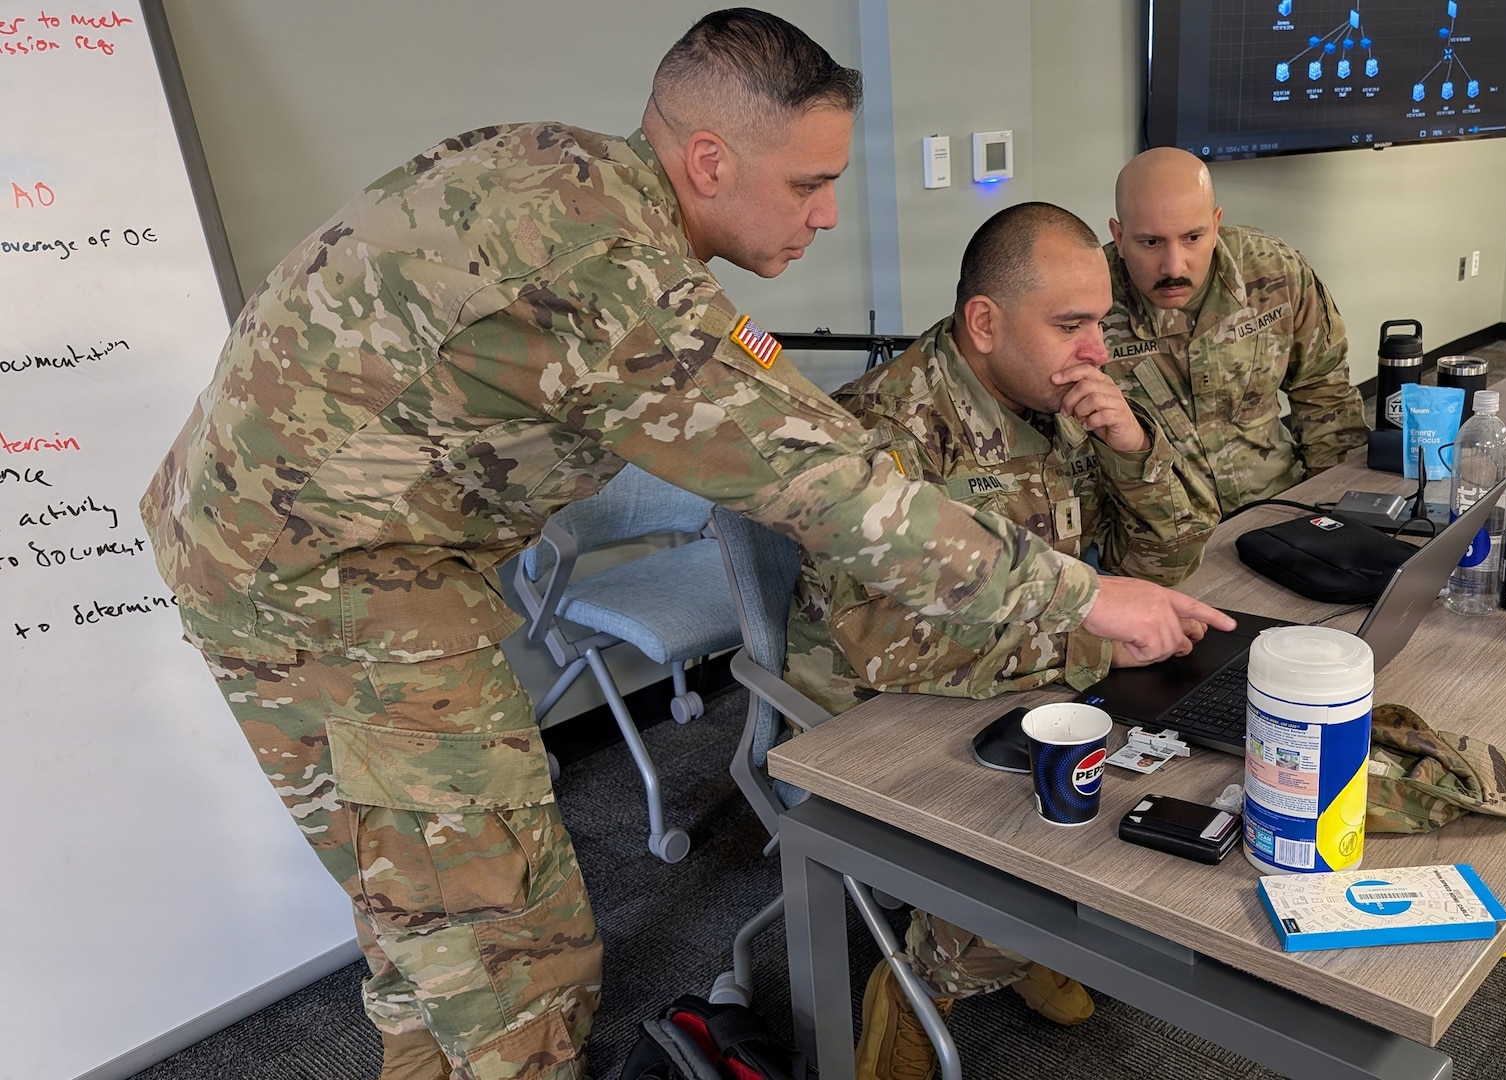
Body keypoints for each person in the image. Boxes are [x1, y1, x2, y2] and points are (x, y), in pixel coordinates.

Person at [137, 11, 1229, 1080]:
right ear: (707, 160)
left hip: (254, 542)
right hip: (337, 583)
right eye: (807, 184)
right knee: (515, 963)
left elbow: (770, 411)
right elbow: (829, 486)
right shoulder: (612, 276)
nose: (829, 217)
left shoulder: (558, 170)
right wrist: (1077, 597)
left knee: (422, 928)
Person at [785, 202, 1213, 1080]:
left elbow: (1159, 565)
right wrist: (1091, 651)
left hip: (1020, 666)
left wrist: (1131, 449)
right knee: (1056, 818)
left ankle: (1022, 943)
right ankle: (921, 984)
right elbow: (886, 648)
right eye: (1072, 324)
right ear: (984, 322)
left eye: (1099, 320)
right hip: (879, 708)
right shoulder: (882, 433)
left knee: (1191, 766)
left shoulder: (1050, 392)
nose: (1095, 347)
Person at [1101, 147, 1367, 522]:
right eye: (1151, 242)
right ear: (1118, 234)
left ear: (1216, 223)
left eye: (1193, 237)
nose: (1173, 265)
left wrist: (1335, 512)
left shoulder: (1275, 272)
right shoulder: (1088, 305)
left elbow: (1324, 393)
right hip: (1161, 536)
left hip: (1279, 506)